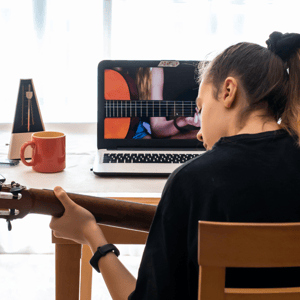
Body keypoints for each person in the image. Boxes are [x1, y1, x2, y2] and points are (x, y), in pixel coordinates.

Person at [50, 31, 300, 300]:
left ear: (228, 92)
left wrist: (91, 234)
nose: (201, 134)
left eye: (201, 109)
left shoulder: (191, 182)